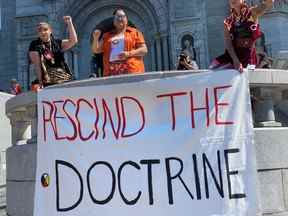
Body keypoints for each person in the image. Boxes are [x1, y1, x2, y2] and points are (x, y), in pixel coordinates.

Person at [209, 0, 274, 73]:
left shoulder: (251, 13)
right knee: (213, 67)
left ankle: (262, 62)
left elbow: (268, 3)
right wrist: (235, 61)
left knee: (248, 75)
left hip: (249, 57)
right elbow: (228, 44)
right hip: (232, 57)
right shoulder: (227, 22)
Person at [92, 8, 148, 76]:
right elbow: (96, 50)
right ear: (114, 21)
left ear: (126, 20)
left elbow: (144, 50)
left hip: (132, 72)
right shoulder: (106, 36)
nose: (120, 18)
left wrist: (128, 54)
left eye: (122, 16)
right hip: (111, 73)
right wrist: (95, 38)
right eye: (117, 17)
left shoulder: (135, 32)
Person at [29, 16, 78, 87]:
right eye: (40, 30)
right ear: (38, 33)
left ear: (50, 31)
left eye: (45, 29)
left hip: (63, 78)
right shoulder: (34, 45)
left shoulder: (57, 43)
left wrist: (69, 23)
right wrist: (40, 82)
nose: (43, 32)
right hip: (47, 81)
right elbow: (37, 65)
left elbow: (73, 41)